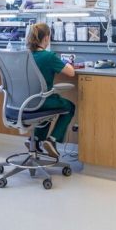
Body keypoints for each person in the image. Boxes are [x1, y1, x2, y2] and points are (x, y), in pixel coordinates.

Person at [26, 22, 76, 159]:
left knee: (45, 113)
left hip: (24, 102)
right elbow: (71, 73)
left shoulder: (25, 55)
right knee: (70, 107)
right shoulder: (49, 56)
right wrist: (65, 62)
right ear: (46, 38)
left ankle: (35, 140)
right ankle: (52, 140)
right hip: (42, 101)